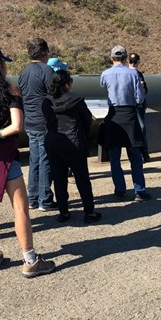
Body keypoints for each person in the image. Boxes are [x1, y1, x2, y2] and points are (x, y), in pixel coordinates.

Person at [0, 45, 55, 277]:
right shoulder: (9, 92)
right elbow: (16, 126)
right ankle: (30, 259)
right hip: (5, 158)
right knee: (20, 208)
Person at [42, 70, 101, 223]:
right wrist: (84, 134)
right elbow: (87, 119)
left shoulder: (47, 101)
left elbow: (46, 120)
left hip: (53, 141)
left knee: (58, 178)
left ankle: (64, 212)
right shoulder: (77, 100)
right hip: (73, 141)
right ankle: (89, 212)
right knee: (82, 178)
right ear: (67, 83)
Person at [100, 45, 150, 202]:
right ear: (126, 57)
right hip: (130, 115)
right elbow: (139, 99)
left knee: (115, 157)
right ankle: (139, 190)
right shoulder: (133, 73)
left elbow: (103, 86)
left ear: (111, 58)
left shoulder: (105, 74)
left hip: (113, 115)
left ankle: (120, 190)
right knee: (134, 156)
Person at [18, 38, 56, 211]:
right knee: (46, 160)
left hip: (30, 122)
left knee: (34, 160)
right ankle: (45, 199)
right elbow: (54, 94)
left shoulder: (24, 72)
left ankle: (33, 198)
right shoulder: (46, 70)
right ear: (44, 52)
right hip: (44, 122)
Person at [128, 52, 150, 162]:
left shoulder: (139, 74)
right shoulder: (127, 73)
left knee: (141, 128)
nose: (133, 64)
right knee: (138, 128)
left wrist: (143, 86)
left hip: (138, 105)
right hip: (130, 104)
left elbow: (145, 90)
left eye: (134, 62)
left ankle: (144, 152)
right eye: (132, 62)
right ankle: (139, 152)